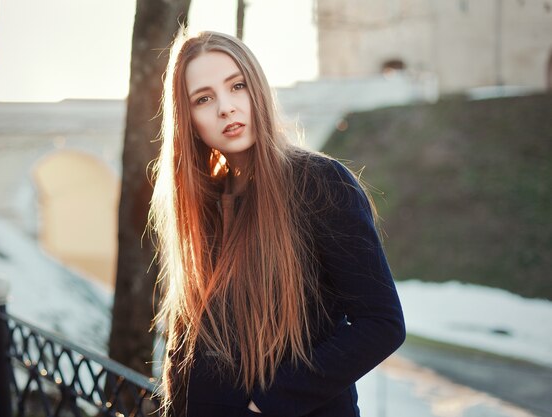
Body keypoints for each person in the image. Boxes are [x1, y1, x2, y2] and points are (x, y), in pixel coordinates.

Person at [150, 30, 406, 417]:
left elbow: (381, 323)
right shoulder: (204, 202)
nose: (226, 108)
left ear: (258, 89)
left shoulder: (319, 183)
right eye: (203, 98)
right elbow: (192, 340)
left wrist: (267, 405)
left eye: (237, 86)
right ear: (188, 119)